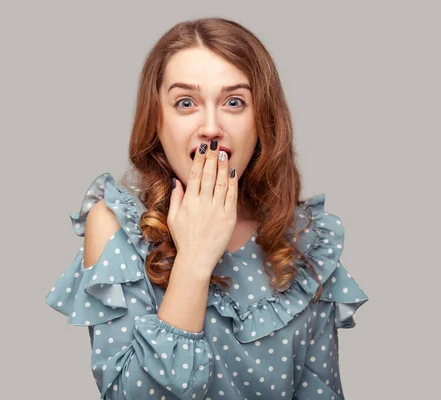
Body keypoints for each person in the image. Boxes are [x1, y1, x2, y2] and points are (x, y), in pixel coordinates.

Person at [45, 17, 368, 400]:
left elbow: (322, 392)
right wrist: (195, 260)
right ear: (157, 122)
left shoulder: (306, 240)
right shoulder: (116, 225)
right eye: (186, 103)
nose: (211, 127)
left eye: (234, 102)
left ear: (261, 121)